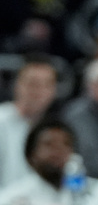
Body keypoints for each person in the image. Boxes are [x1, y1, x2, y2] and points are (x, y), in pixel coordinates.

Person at [0, 54, 58, 190]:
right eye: (32, 83)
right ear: (17, 85)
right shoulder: (2, 120)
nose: (38, 91)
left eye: (46, 85)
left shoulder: (53, 129)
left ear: (53, 91)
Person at [0, 117, 77, 205]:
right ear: (31, 155)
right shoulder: (13, 197)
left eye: (66, 144)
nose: (59, 151)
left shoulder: (88, 192)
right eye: (49, 144)